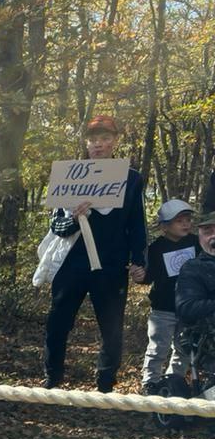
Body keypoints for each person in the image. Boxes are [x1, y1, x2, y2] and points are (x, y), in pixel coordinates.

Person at [43, 116, 147, 392]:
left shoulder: (131, 178)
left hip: (111, 264)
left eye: (104, 138)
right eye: (92, 139)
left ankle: (105, 385)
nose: (98, 145)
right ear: (85, 143)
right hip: (72, 263)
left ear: (114, 141)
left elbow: (137, 223)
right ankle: (52, 378)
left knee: (112, 326)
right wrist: (76, 219)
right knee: (57, 321)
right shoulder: (69, 175)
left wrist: (139, 260)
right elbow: (57, 226)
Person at [134, 200, 197, 395]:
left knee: (184, 348)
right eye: (179, 221)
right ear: (164, 226)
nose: (185, 224)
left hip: (188, 309)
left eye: (187, 220)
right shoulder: (156, 248)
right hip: (163, 309)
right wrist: (141, 276)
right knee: (158, 348)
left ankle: (173, 383)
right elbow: (149, 276)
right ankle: (150, 384)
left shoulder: (196, 243)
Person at [176, 212, 215, 400]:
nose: (213, 235)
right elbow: (187, 307)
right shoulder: (194, 267)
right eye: (208, 231)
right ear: (199, 237)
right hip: (206, 334)